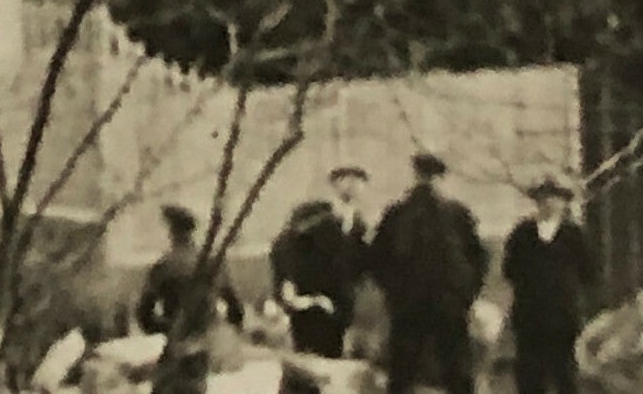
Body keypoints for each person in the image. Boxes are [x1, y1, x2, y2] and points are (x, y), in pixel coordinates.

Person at [369, 151, 488, 394]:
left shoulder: (458, 215)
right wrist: (395, 293)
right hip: (409, 306)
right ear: (415, 177)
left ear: (441, 180)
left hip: (449, 306)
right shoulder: (397, 215)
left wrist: (464, 294)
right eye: (424, 176)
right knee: (402, 371)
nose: (428, 182)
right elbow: (378, 258)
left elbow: (478, 258)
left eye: (433, 177)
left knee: (458, 371)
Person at [501, 173, 595, 394]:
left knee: (564, 375)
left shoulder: (573, 235)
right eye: (543, 198)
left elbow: (589, 272)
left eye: (554, 197)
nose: (548, 203)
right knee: (529, 376)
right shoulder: (522, 234)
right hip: (529, 316)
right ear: (536, 201)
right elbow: (509, 270)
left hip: (562, 318)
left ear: (563, 202)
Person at [135, 205, 244, 394]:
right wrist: (217, 330)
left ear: (171, 232)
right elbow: (236, 311)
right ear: (192, 232)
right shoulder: (214, 262)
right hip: (208, 349)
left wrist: (168, 327)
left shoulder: (163, 267)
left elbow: (144, 317)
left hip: (177, 345)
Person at [269, 167, 370, 361]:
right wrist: (288, 285)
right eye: (346, 178)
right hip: (310, 304)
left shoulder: (359, 225)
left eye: (359, 179)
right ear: (334, 183)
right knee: (307, 365)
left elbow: (359, 264)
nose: (353, 184)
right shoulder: (311, 215)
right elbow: (283, 247)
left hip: (340, 307)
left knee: (331, 364)